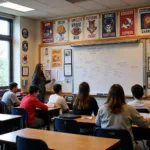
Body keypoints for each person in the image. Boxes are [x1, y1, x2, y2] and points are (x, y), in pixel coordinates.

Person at [95, 84, 149, 148]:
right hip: (126, 146)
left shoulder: (102, 109)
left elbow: (97, 123)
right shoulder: (129, 109)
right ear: (122, 95)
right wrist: (148, 121)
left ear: (109, 95)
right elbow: (144, 124)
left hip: (107, 146)